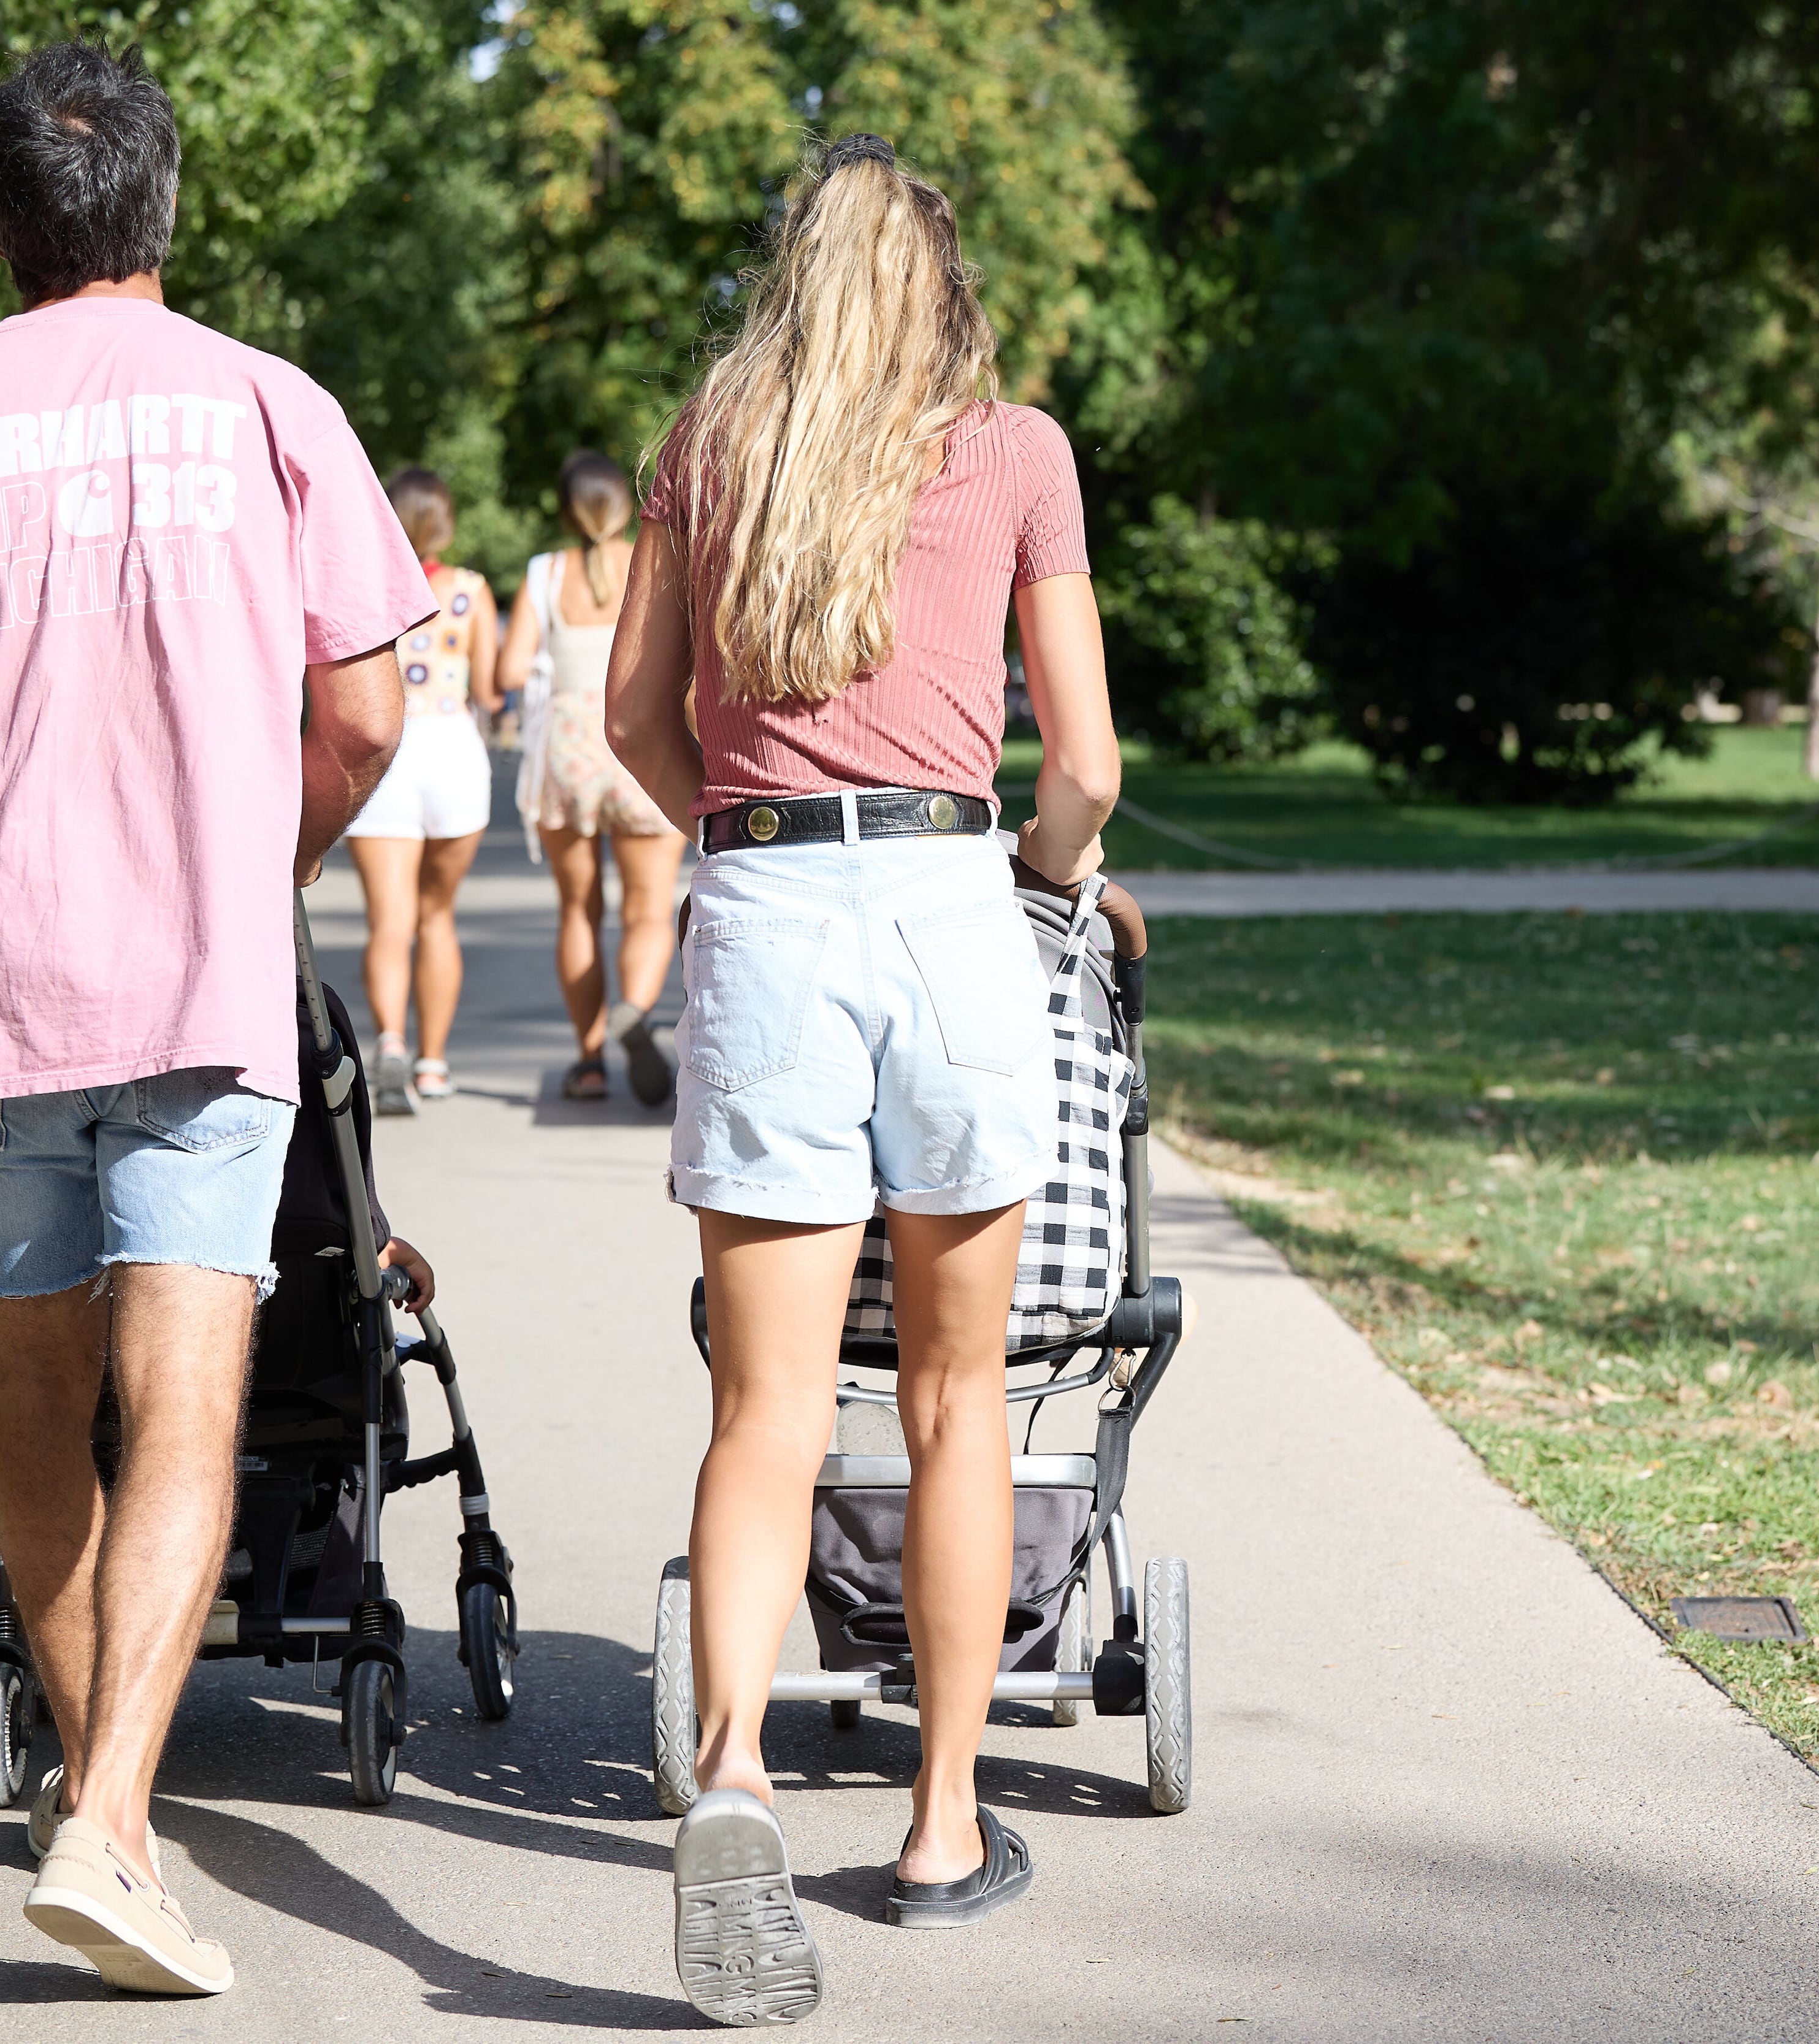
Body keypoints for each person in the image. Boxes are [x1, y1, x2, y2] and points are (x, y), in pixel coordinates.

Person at [0, 42, 425, 1997]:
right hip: (201, 987)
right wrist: (255, 846)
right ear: (167, 201)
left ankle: (91, 1789)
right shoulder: (268, 407)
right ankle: (117, 1819)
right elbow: (367, 709)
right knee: (190, 1404)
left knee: (36, 1398)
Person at [605, 132, 1122, 2024]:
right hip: (945, 898)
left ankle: (733, 1770)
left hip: (765, 908)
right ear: (942, 285)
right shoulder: (1014, 451)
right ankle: (937, 1821)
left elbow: (628, 720)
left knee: (760, 1407)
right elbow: (1081, 764)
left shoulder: (709, 441)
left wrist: (742, 842)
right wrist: (1047, 889)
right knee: (954, 1389)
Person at [499, 451, 682, 1104]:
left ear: (567, 510)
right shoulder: (654, 561)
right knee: (647, 910)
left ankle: (589, 1061)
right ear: (626, 506)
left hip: (568, 749)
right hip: (641, 743)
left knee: (577, 909)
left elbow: (511, 671)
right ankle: (635, 1006)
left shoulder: (545, 573)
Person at [347, 469, 499, 1112]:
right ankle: (434, 1064)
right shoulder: (469, 591)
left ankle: (389, 1044)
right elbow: (490, 688)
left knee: (390, 921)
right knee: (438, 916)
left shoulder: (361, 585)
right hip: (452, 752)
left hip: (386, 752)